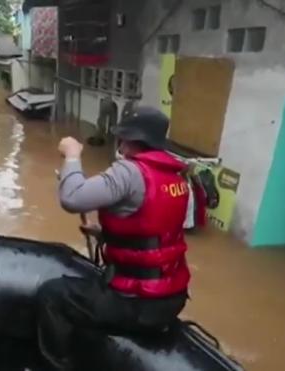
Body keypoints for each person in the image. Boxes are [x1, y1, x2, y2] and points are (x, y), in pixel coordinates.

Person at [37, 106, 190, 370]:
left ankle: (56, 365)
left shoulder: (129, 172)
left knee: (52, 294)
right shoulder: (177, 180)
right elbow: (153, 233)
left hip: (137, 304)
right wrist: (104, 233)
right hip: (172, 300)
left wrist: (72, 157)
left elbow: (72, 197)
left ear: (129, 140)